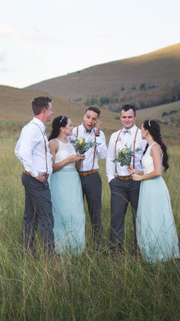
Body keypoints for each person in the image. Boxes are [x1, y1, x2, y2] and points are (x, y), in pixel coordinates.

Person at [130, 120, 180, 263]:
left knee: (155, 219)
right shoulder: (150, 146)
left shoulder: (155, 148)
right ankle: (151, 253)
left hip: (154, 186)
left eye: (141, 129)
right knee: (148, 218)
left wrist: (140, 178)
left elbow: (158, 172)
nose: (140, 132)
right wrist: (137, 171)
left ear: (147, 131)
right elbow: (150, 169)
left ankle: (159, 255)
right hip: (148, 186)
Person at [15, 96, 55, 256]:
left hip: (33, 178)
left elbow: (17, 150)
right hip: (36, 180)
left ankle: (29, 253)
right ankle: (51, 257)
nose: (52, 113)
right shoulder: (32, 128)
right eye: (51, 109)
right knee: (46, 218)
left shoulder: (37, 129)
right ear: (44, 111)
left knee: (30, 217)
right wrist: (34, 172)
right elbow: (23, 152)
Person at [106, 104, 147, 254]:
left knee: (139, 218)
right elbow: (110, 158)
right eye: (124, 117)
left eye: (130, 117)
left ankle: (139, 251)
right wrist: (111, 179)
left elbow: (147, 158)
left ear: (135, 117)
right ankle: (114, 252)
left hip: (136, 182)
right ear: (120, 117)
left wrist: (141, 175)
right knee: (116, 218)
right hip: (118, 183)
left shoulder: (142, 135)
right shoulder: (114, 136)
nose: (127, 120)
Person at [69, 106, 107, 250]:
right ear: (83, 116)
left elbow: (103, 155)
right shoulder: (73, 132)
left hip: (92, 177)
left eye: (94, 119)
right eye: (88, 117)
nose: (90, 121)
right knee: (75, 212)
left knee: (95, 213)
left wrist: (97, 135)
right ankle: (76, 244)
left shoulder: (100, 134)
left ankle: (98, 246)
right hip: (75, 177)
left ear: (97, 121)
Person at [48, 115, 85, 255]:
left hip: (73, 181)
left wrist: (78, 160)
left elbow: (76, 168)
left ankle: (76, 248)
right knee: (62, 214)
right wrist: (69, 159)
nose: (72, 127)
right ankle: (61, 249)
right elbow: (51, 168)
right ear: (62, 128)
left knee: (77, 214)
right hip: (60, 181)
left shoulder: (71, 143)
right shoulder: (53, 143)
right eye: (70, 125)